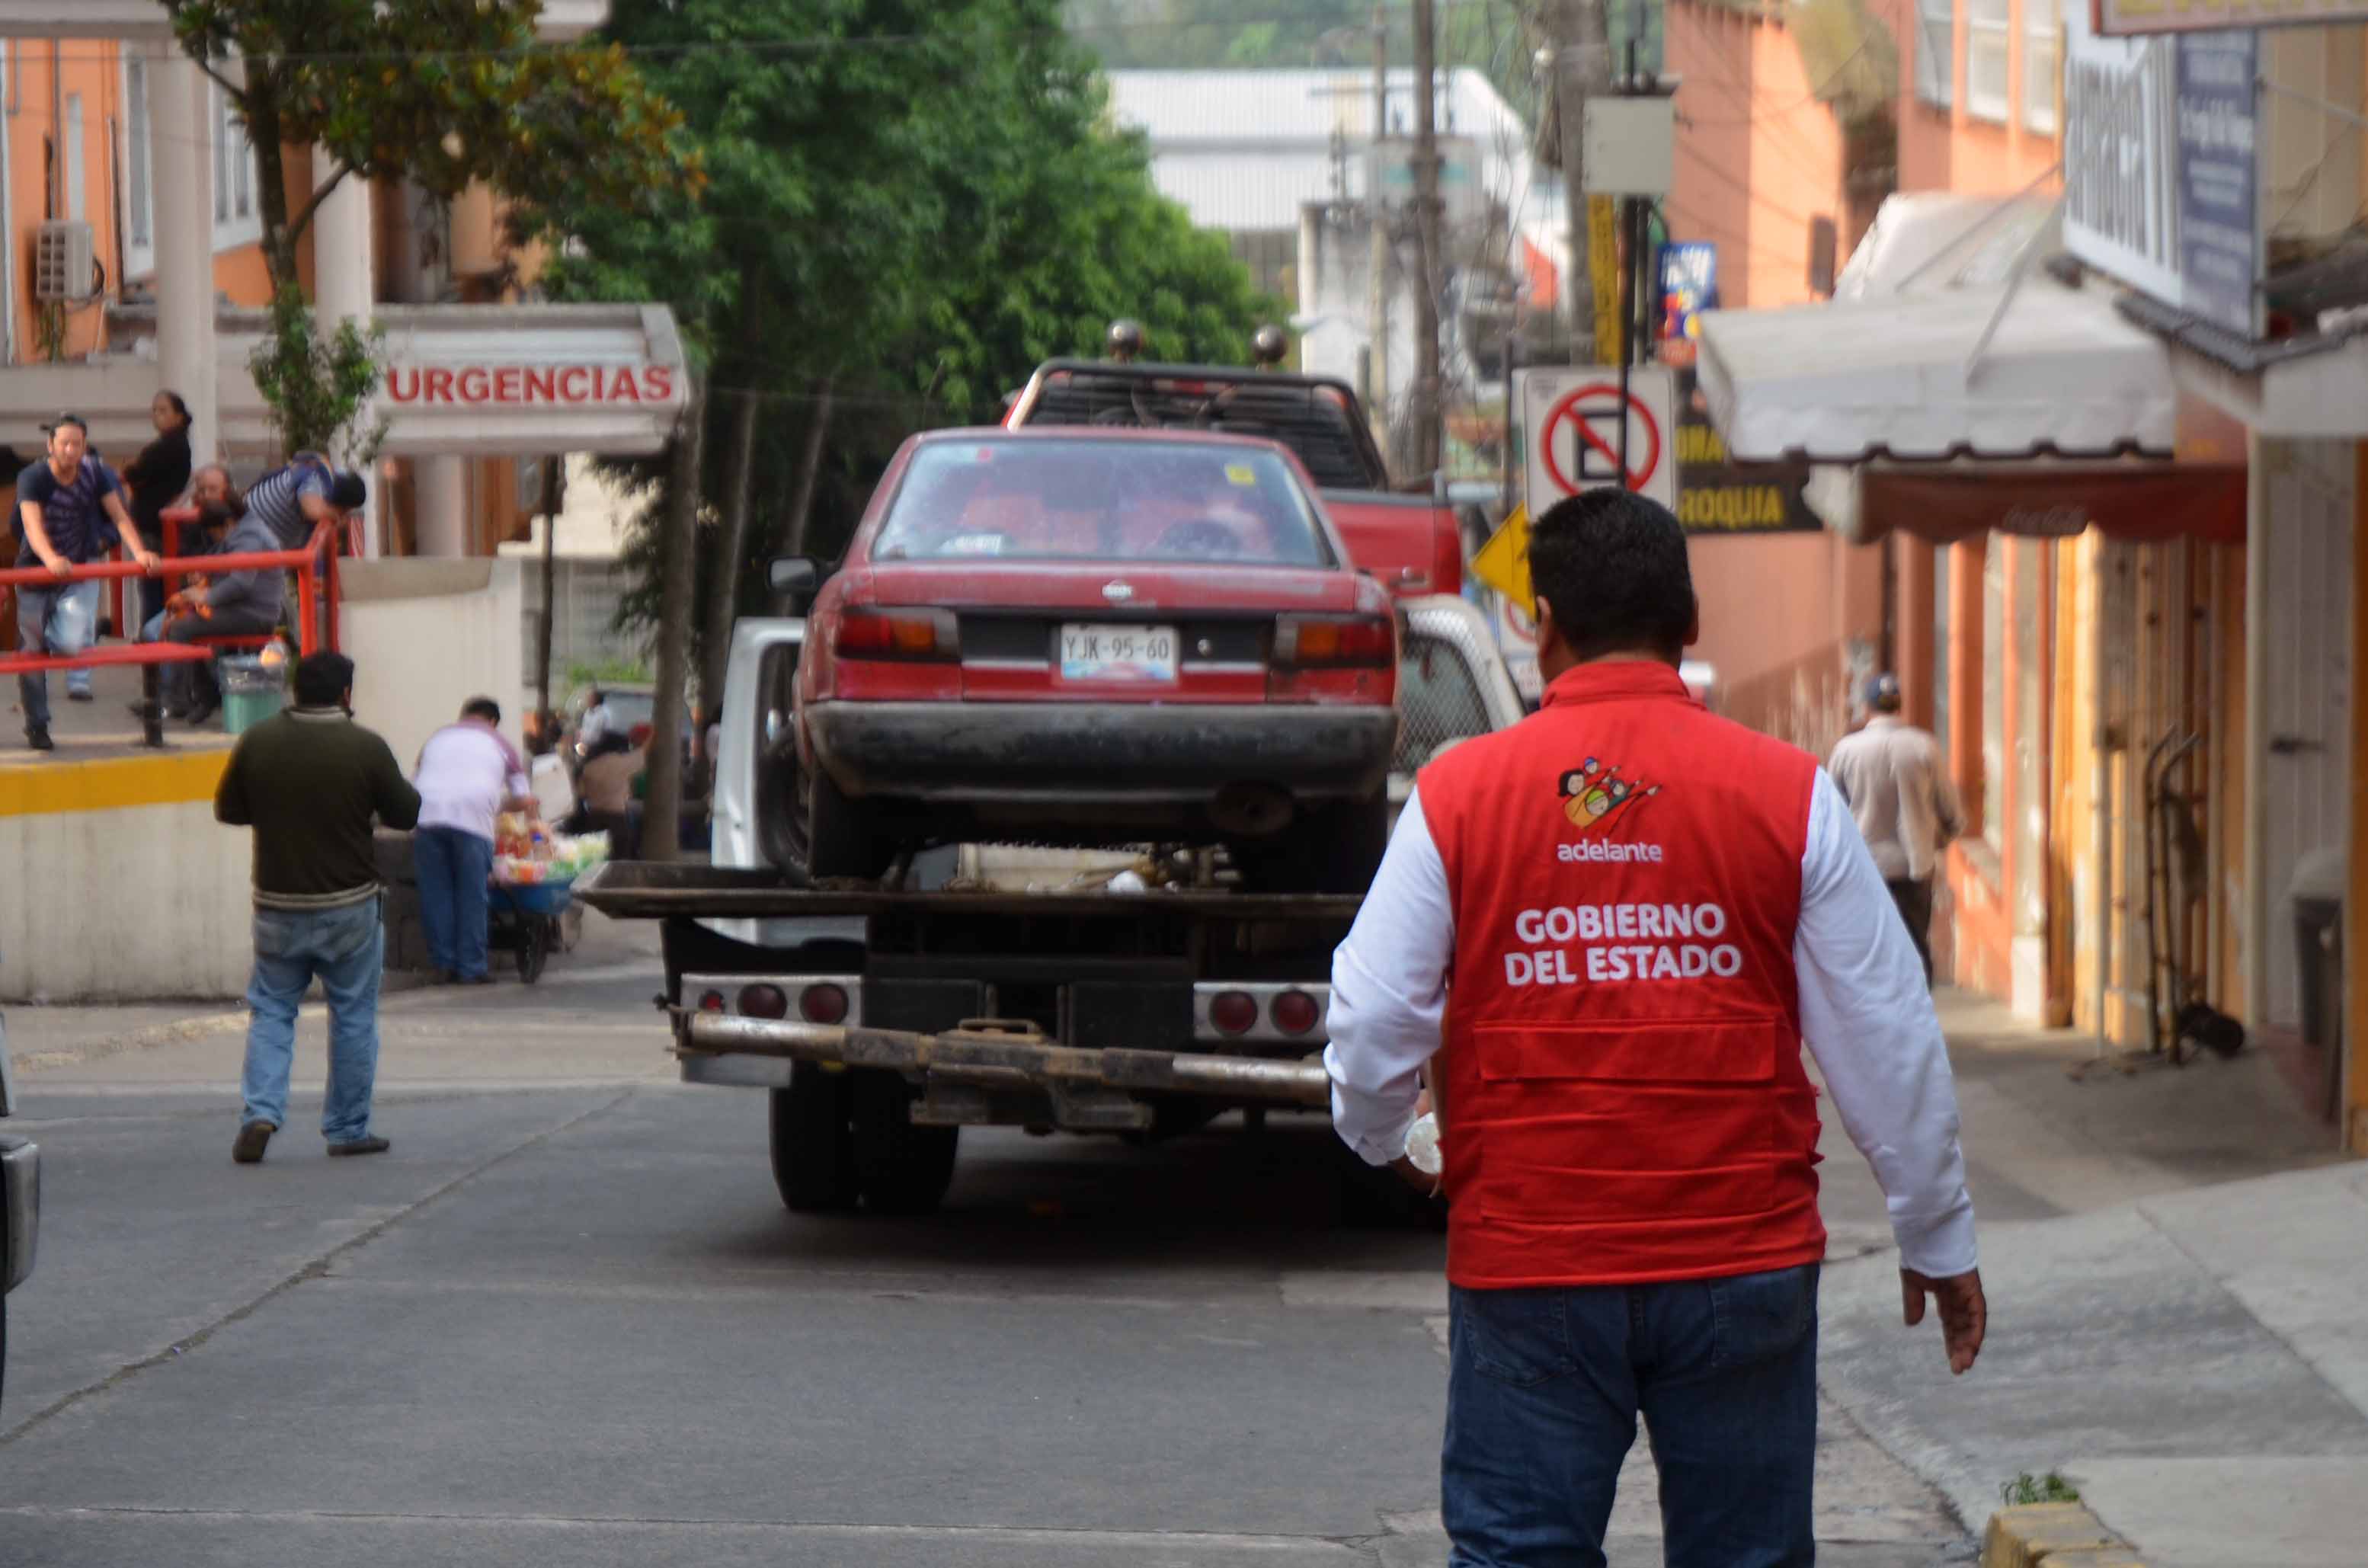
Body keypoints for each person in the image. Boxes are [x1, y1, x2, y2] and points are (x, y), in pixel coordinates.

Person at [1324, 489, 1985, 1568]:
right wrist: (1936, 1235)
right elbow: (1888, 1031)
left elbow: (1373, 1014)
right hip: (1742, 1262)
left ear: (1542, 625)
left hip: (1532, 1266)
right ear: (1690, 624)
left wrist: (1386, 1137)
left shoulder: (1460, 794)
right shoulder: (1787, 793)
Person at [214, 651, 421, 1164]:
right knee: (353, 1016)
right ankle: (348, 1129)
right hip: (348, 907)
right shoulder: (365, 747)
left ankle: (260, 1112)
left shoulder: (258, 740)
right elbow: (408, 811)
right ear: (346, 695)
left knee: (272, 1011)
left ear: (293, 689)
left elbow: (228, 808)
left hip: (277, 906)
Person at [13, 414, 161, 750]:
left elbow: (119, 516)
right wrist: (50, 559)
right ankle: (38, 726)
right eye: (63, 443)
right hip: (36, 573)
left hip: (79, 569)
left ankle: (43, 638)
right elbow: (31, 525)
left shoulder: (96, 473)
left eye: (76, 443)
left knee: (68, 644)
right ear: (50, 446)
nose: (70, 450)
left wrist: (139, 552)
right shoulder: (33, 477)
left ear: (84, 446)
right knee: (32, 657)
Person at [1827, 674, 1964, 987]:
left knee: (1867, 953)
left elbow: (1831, 815)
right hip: (1914, 866)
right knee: (1915, 947)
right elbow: (1953, 815)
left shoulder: (1846, 750)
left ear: (1867, 708)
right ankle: (1918, 1026)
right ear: (1900, 705)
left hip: (1864, 868)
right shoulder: (1924, 747)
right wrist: (1933, 841)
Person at [137, 483, 286, 726]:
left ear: (226, 524)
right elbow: (220, 556)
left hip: (253, 613)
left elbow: (241, 582)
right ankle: (200, 694)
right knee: (185, 623)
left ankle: (178, 698)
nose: (214, 537)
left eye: (214, 532)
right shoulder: (245, 531)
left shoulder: (249, 538)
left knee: (182, 628)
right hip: (244, 608)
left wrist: (204, 597)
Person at [412, 697, 535, 986]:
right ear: (492, 721)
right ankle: (471, 967)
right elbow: (524, 799)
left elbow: (416, 778)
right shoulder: (501, 744)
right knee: (472, 894)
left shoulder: (437, 738)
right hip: (472, 820)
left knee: (435, 894)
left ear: (464, 716)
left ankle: (443, 964)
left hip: (426, 816)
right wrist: (503, 809)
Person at [118, 392, 195, 633]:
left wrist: (132, 469)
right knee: (156, 586)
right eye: (154, 410)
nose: (157, 416)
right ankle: (154, 635)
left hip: (156, 530)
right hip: (153, 526)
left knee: (155, 586)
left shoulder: (170, 446)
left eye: (163, 410)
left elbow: (134, 471)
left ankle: (153, 636)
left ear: (179, 416)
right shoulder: (171, 445)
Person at [242, 451, 368, 553]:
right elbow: (313, 510)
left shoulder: (318, 472)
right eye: (346, 510)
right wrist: (336, 517)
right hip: (247, 532)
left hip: (258, 540)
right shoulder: (315, 479)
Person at [576, 727, 645, 857]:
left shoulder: (588, 767)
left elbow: (581, 793)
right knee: (619, 862)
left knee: (596, 862)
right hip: (617, 820)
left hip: (593, 820)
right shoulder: (622, 762)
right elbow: (645, 752)